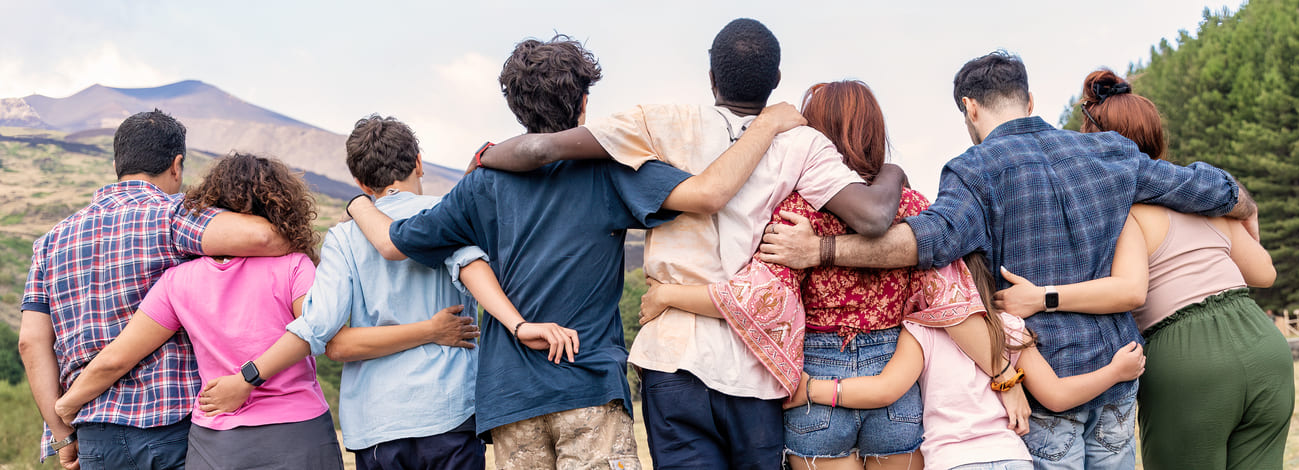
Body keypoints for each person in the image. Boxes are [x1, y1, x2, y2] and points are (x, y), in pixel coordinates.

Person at [474, 20, 1035, 469]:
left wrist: (486, 156)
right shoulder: (801, 146)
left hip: (677, 358)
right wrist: (891, 170)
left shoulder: (657, 121)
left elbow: (543, 150)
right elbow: (872, 217)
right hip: (760, 371)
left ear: (711, 74)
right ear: (776, 79)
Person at [758, 51, 1256, 469]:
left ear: (970, 109)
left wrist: (821, 249)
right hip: (1116, 369)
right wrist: (1243, 204)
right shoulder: (1109, 152)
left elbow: (922, 241)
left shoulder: (974, 169)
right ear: (1031, 100)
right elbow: (1202, 187)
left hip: (1045, 381)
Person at [346, 35, 805, 469]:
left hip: (510, 400)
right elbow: (709, 193)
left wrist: (357, 202)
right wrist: (767, 123)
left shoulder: (481, 185)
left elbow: (389, 242)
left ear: (515, 106)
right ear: (584, 103)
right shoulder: (609, 172)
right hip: (588, 389)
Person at [638, 80, 1030, 470]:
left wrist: (668, 295)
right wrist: (1005, 378)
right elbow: (954, 306)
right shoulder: (911, 207)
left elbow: (756, 299)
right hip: (895, 383)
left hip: (815, 385)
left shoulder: (799, 209)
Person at [187, 115, 565, 470]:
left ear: (360, 183)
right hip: (448, 414)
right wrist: (516, 325)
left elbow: (319, 329)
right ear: (419, 162)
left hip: (375, 426)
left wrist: (248, 377)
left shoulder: (344, 238)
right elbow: (471, 266)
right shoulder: (445, 213)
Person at [994, 69, 1292, 470]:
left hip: (1189, 352)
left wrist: (1042, 296)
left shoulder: (1125, 212)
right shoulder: (1204, 202)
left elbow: (1130, 290)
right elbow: (1265, 274)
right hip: (1263, 344)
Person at [18, 110, 291, 470]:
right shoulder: (172, 215)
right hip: (174, 427)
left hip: (94, 434)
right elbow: (265, 238)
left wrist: (61, 434)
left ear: (118, 162)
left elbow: (30, 343)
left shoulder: (49, 242)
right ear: (176, 165)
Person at [51, 153, 342, 469]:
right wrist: (249, 378)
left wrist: (68, 405)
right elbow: (316, 330)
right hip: (298, 430)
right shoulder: (294, 266)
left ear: (213, 204)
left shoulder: (179, 280)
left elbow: (117, 357)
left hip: (216, 441)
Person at [776, 255, 1147, 470]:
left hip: (952, 462)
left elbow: (885, 389)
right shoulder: (1009, 329)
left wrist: (811, 388)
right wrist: (1115, 372)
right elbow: (1057, 397)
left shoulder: (922, 331)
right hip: (1011, 459)